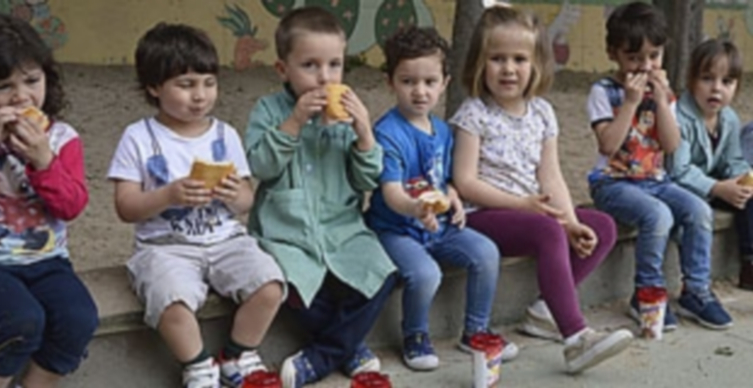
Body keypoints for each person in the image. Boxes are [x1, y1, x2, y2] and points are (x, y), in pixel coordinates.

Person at [450, 5, 633, 374]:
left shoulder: (542, 113)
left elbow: (551, 178)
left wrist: (570, 223)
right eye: (497, 58)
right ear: (479, 63)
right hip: (483, 215)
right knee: (548, 229)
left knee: (601, 227)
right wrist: (524, 206)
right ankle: (575, 338)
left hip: (531, 211)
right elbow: (465, 181)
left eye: (519, 59)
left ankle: (544, 312)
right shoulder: (474, 113)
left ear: (536, 64)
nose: (508, 68)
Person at [106, 23, 285, 388]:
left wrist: (233, 194)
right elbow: (126, 207)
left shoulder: (225, 135)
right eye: (186, 85)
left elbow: (247, 199)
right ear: (154, 87)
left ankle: (238, 355)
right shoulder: (139, 137)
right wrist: (167, 196)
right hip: (165, 247)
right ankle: (198, 366)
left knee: (270, 286)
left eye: (208, 82)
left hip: (226, 239)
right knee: (171, 302)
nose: (200, 96)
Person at [244, 6, 397, 388]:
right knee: (294, 288)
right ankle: (348, 347)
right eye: (310, 65)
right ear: (284, 70)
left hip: (341, 229)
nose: (324, 76)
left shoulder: (347, 116)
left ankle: (324, 354)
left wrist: (364, 134)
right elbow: (259, 166)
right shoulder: (268, 110)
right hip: (285, 232)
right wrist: (293, 123)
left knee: (383, 275)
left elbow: (366, 181)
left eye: (334, 65)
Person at [0, 11, 98, 388]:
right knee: (21, 322)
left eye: (32, 81)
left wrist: (43, 160)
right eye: (3, 86)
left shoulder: (62, 138)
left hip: (48, 260)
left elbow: (72, 206)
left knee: (79, 320)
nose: (21, 96)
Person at [364, 26, 515, 372]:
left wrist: (453, 195)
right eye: (408, 81)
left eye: (429, 82)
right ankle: (415, 335)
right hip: (396, 229)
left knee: (486, 252)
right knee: (426, 273)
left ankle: (476, 330)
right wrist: (415, 208)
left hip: (439, 225)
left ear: (444, 82)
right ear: (390, 82)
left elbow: (442, 179)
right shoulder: (388, 133)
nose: (420, 91)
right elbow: (391, 192)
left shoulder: (442, 130)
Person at [587, 2, 732, 330]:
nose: (645, 65)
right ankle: (647, 294)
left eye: (653, 56)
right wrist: (631, 102)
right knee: (658, 215)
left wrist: (664, 101)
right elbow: (608, 144)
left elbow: (671, 144)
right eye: (634, 58)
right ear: (614, 53)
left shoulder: (664, 93)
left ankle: (696, 290)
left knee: (698, 210)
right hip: (613, 183)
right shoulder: (604, 91)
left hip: (655, 179)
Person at [669, 39, 753, 292]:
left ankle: (749, 262)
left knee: (749, 195)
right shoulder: (679, 115)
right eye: (707, 79)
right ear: (691, 80)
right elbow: (678, 170)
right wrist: (717, 187)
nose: (716, 89)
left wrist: (741, 180)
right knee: (695, 213)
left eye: (726, 82)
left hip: (713, 184)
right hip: (682, 186)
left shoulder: (727, 118)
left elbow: (733, 159)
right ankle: (693, 285)